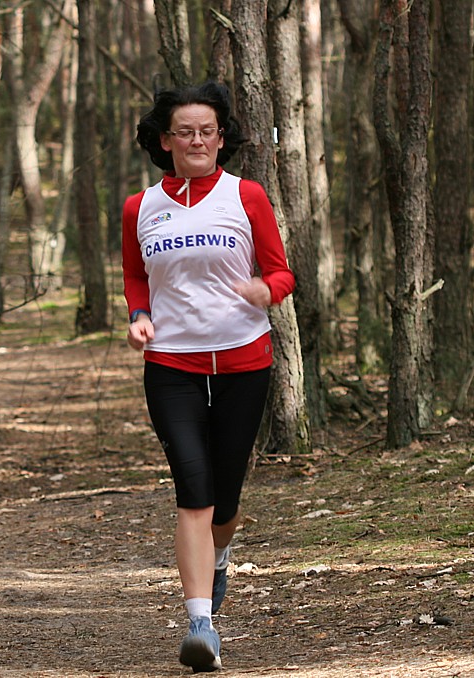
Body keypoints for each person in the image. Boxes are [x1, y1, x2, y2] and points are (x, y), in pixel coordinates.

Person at [122, 81, 295, 673]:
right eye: (185, 132)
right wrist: (139, 316)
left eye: (207, 131)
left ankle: (220, 557)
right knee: (193, 489)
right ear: (165, 140)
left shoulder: (246, 196)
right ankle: (201, 624)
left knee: (226, 497)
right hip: (172, 366)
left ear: (221, 139)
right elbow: (136, 276)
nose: (197, 140)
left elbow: (282, 273)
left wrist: (265, 289)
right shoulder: (140, 207)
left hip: (244, 362)